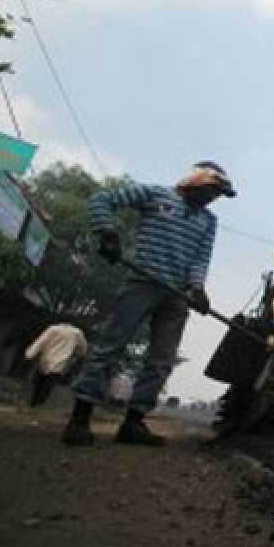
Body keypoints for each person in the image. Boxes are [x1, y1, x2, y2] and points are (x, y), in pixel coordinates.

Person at [61, 161, 235, 447]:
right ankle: (79, 419)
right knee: (111, 347)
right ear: (196, 181)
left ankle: (133, 422)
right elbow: (101, 200)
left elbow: (201, 258)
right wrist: (106, 232)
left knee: (161, 360)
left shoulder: (208, 221)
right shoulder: (155, 194)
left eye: (217, 195)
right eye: (212, 190)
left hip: (176, 296)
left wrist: (197, 288)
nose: (213, 197)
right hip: (142, 283)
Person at [23, 321, 87, 407]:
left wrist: (29, 354)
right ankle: (39, 404)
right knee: (48, 384)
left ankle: (33, 402)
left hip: (45, 359)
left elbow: (40, 342)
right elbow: (83, 348)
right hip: (61, 362)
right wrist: (80, 355)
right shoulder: (77, 333)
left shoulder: (53, 328)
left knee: (39, 381)